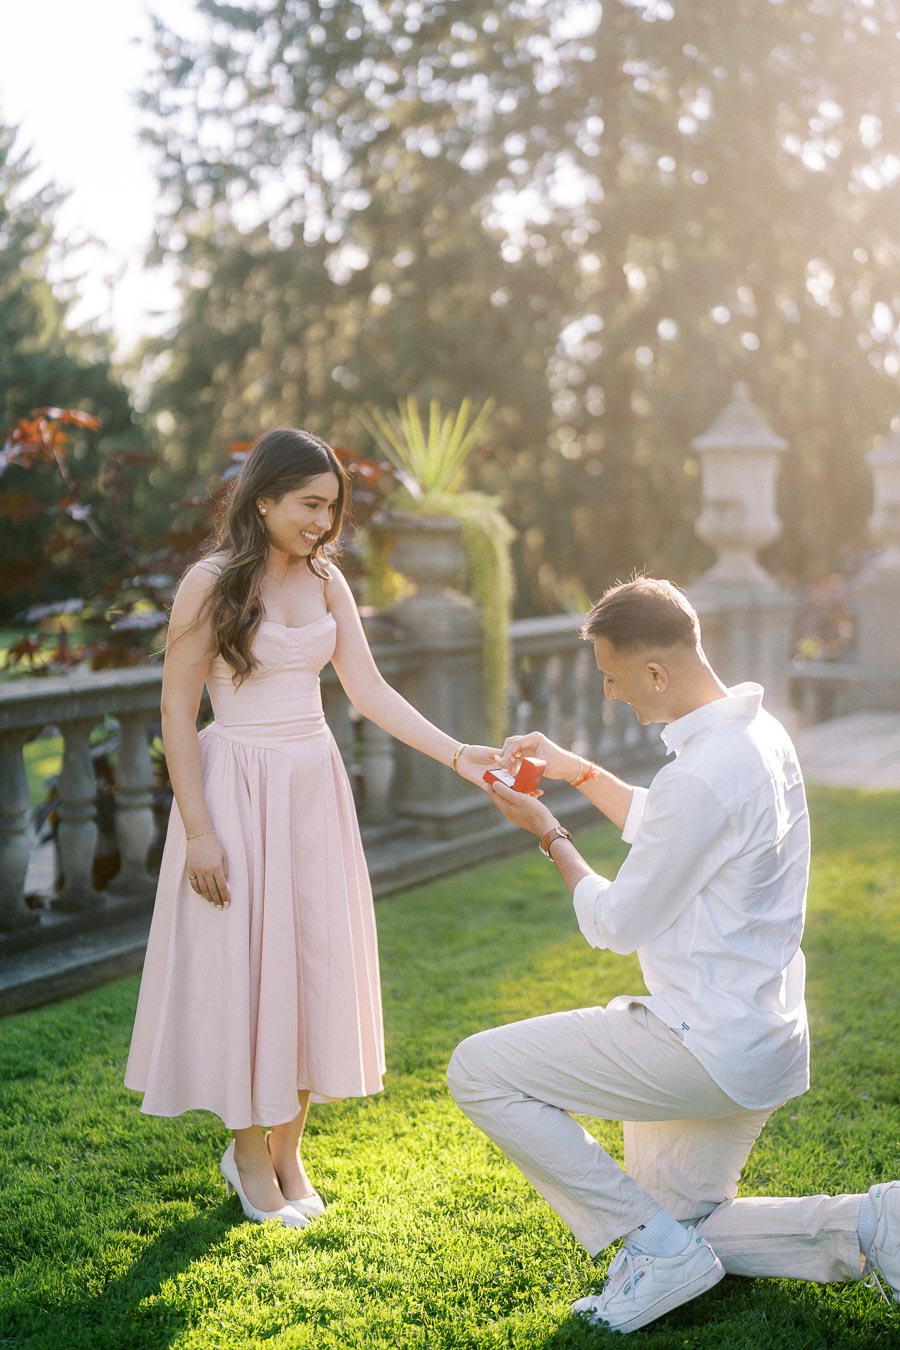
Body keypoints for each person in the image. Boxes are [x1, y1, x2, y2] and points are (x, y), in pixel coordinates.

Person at [447, 576, 898, 1334]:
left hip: (701, 1044)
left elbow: (618, 921)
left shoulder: (703, 772)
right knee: (681, 1221)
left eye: (612, 678)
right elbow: (672, 823)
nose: (610, 695)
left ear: (656, 674)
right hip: (761, 1040)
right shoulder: (759, 735)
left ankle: (656, 1253)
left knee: (478, 1069)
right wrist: (578, 771)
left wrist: (547, 833)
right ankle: (875, 1223)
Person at [126, 427, 496, 1227]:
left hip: (313, 790)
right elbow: (175, 711)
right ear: (264, 499)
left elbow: (369, 692)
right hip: (236, 787)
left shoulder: (329, 583)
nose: (324, 523)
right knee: (244, 966)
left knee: (311, 963)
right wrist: (198, 831)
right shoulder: (211, 582)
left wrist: (459, 753)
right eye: (310, 505)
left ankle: (290, 1149)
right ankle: (248, 1151)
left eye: (332, 508)